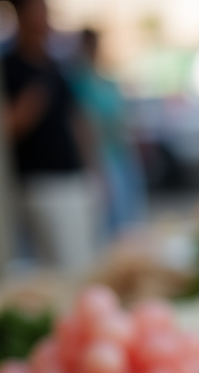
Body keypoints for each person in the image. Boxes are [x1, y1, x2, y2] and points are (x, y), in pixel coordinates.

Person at [0, 0, 98, 272]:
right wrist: (32, 101)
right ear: (20, 15)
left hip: (72, 175)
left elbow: (76, 121)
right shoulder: (7, 68)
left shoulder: (54, 65)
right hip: (39, 181)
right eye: (37, 10)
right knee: (60, 266)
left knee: (83, 260)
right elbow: (5, 126)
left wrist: (92, 169)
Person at [70, 28, 148, 236]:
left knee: (130, 213)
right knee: (111, 216)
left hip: (120, 152)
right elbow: (82, 125)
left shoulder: (105, 80)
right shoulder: (78, 82)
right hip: (101, 156)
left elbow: (123, 118)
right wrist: (92, 164)